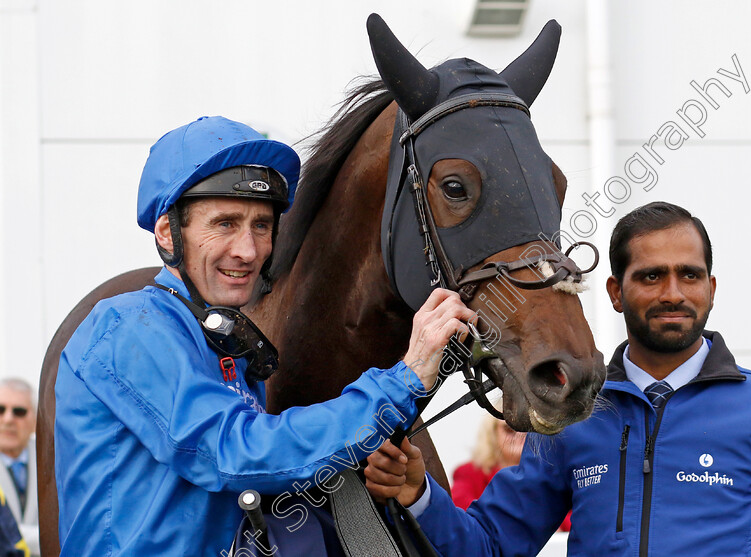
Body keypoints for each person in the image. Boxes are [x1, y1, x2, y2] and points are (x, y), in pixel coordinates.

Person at [54, 116, 475, 556]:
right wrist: (405, 379)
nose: (248, 250)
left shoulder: (229, 343)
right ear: (167, 232)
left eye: (261, 225)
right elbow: (238, 453)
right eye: (224, 223)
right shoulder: (129, 324)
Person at [366, 201, 751, 556]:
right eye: (651, 276)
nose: (673, 293)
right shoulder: (572, 414)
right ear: (615, 291)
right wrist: (419, 494)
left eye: (690, 276)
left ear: (711, 290)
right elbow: (491, 546)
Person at [450, 408, 526, 510]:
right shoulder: (470, 473)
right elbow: (460, 513)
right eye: (509, 429)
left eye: (525, 429)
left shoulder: (549, 473)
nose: (519, 434)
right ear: (493, 433)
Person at [0, 379, 37, 556]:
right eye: (0, 409)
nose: (8, 419)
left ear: (36, 420)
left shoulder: (57, 462)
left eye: (19, 412)